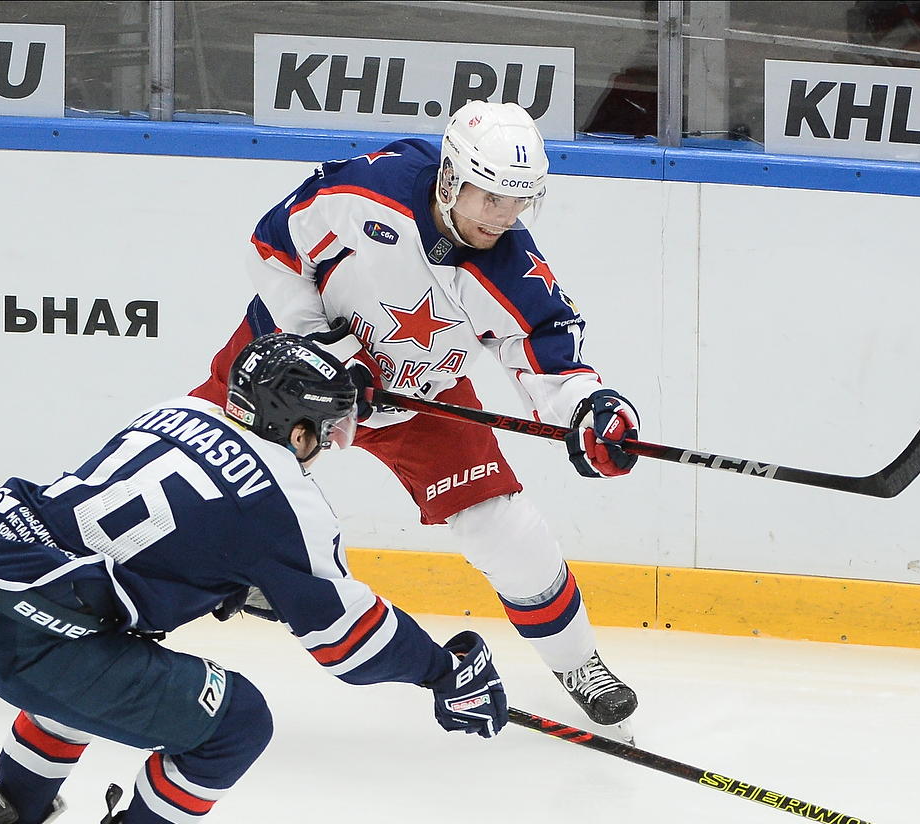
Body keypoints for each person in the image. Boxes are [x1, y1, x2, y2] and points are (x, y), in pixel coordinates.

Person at [0, 333, 509, 824]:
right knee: (237, 721)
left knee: (87, 675)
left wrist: (224, 580)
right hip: (42, 636)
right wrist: (441, 671)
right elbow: (351, 643)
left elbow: (160, 530)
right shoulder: (286, 503)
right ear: (298, 431)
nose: (328, 445)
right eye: (326, 430)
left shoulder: (178, 410)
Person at [189, 100, 639, 730]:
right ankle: (93, 575)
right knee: (188, 465)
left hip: (417, 397)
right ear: (451, 177)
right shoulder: (369, 189)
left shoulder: (510, 266)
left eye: (519, 201)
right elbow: (272, 248)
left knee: (505, 530)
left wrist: (588, 409)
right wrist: (324, 352)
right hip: (285, 367)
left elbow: (545, 350)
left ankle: (578, 662)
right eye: (491, 198)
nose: (503, 217)